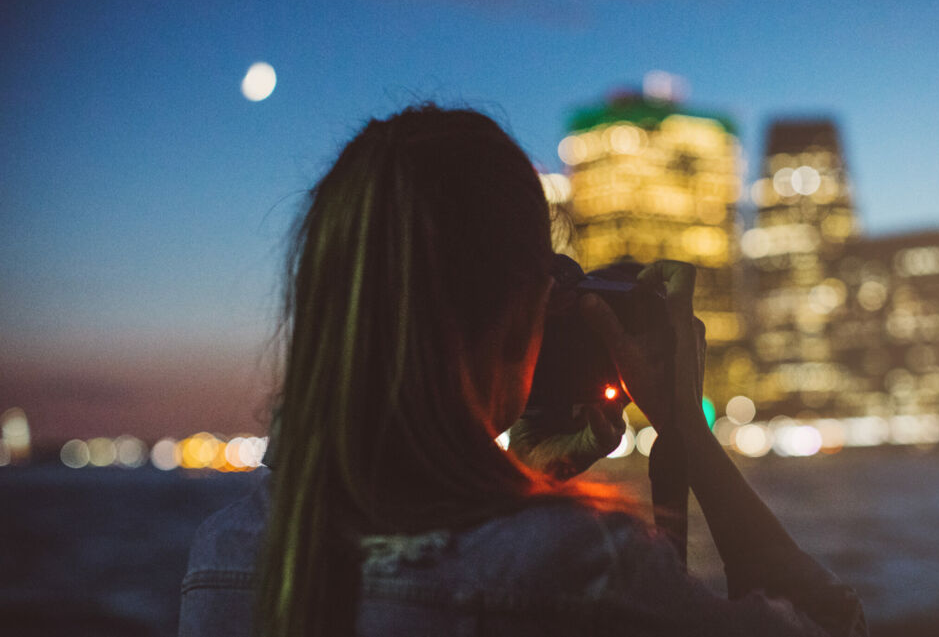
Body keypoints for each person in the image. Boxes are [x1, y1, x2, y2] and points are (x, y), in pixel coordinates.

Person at [179, 105, 867, 637]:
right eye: (553, 291)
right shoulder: (579, 569)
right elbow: (829, 625)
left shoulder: (222, 556)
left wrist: (520, 478)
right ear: (518, 316)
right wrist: (689, 431)